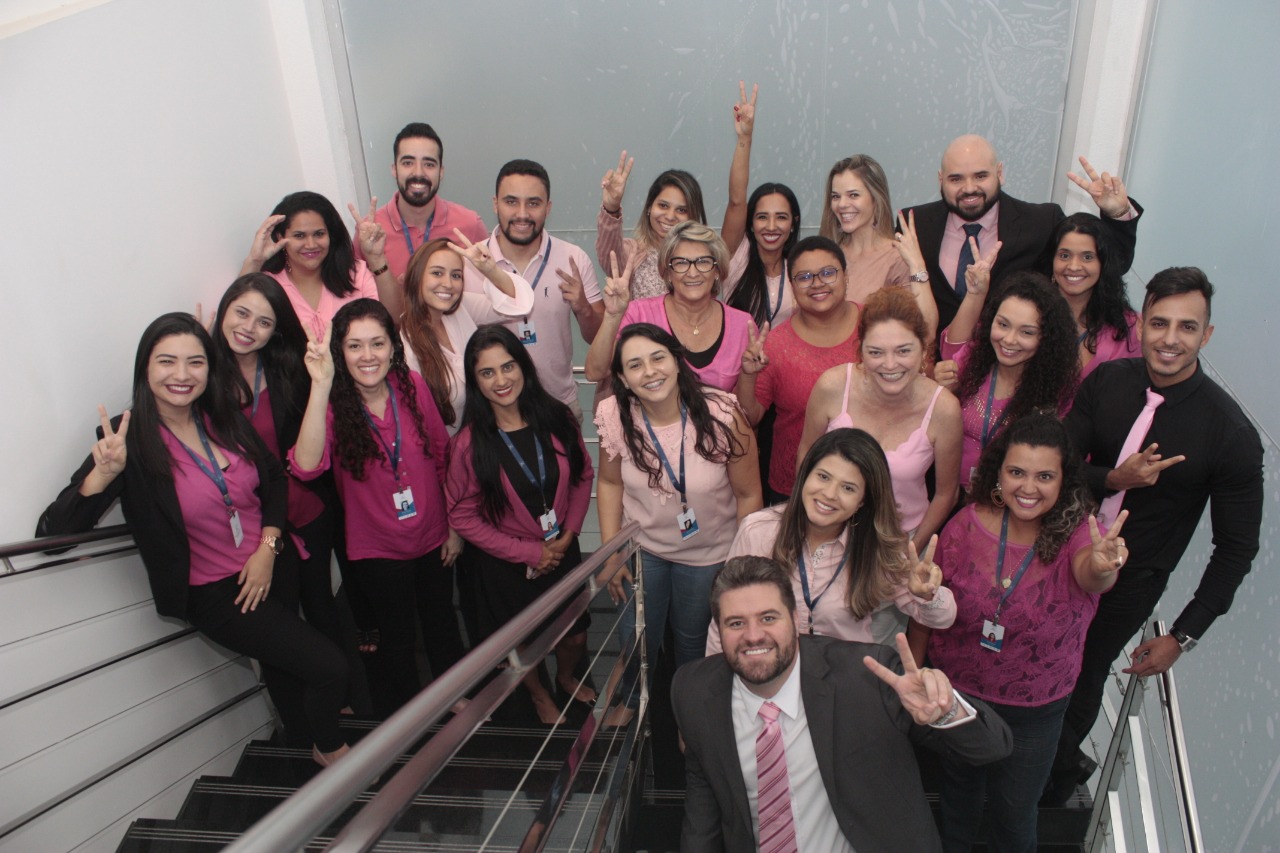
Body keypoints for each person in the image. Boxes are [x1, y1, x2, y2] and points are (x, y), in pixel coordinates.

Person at [37, 314, 350, 766]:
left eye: (195, 362)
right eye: (167, 361)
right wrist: (103, 474)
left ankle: (302, 757)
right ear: (145, 368)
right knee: (329, 667)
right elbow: (53, 536)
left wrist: (268, 546)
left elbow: (274, 480)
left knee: (284, 670)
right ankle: (332, 752)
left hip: (270, 564)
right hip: (219, 594)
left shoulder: (220, 416)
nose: (181, 375)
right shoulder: (128, 439)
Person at [1045, 267, 1264, 803]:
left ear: (1206, 335)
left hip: (1132, 581)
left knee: (1083, 677)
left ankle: (1047, 787)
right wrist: (1113, 479)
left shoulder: (1230, 433)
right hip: (1059, 552)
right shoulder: (1107, 381)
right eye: (1160, 322)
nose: (1170, 338)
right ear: (1140, 325)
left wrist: (1182, 637)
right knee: (1035, 655)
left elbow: (1235, 549)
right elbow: (1056, 466)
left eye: (1187, 327)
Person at [673, 556, 1012, 852]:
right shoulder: (693, 691)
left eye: (768, 618)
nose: (753, 635)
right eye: (736, 623)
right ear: (718, 629)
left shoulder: (867, 677)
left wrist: (946, 710)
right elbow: (702, 814)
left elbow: (991, 748)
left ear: (794, 618)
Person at [927, 413, 1129, 852]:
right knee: (957, 805)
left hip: (1035, 709)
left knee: (1014, 817)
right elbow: (932, 604)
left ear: (1063, 481)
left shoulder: (1079, 535)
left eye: (1044, 476)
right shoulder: (965, 524)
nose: (1028, 487)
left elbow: (1093, 574)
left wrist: (1103, 566)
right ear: (998, 473)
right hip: (960, 697)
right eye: (1017, 472)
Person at [290, 299, 466, 716]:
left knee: (442, 624)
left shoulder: (412, 386)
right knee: (397, 639)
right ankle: (408, 717)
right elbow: (306, 466)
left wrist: (455, 527)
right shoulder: (331, 405)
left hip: (434, 536)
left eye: (377, 343)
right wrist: (320, 386)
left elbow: (443, 456)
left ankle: (456, 698)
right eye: (354, 346)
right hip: (377, 550)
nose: (367, 355)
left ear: (393, 347)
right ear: (340, 352)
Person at [595, 323, 761, 723]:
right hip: (644, 549)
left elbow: (748, 495)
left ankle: (691, 712)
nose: (650, 372)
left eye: (658, 358)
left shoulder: (722, 413)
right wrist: (611, 551)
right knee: (636, 634)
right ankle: (632, 699)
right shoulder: (615, 415)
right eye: (635, 365)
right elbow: (610, 482)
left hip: (709, 555)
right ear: (623, 379)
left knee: (692, 641)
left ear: (676, 361)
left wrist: (740, 563)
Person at [445, 326, 596, 724]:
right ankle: (540, 694)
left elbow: (583, 475)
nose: (501, 380)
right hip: (507, 563)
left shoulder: (558, 418)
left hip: (561, 548)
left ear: (523, 366)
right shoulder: (469, 444)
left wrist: (570, 533)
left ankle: (565, 676)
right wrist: (529, 552)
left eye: (508, 366)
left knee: (575, 635)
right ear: (476, 382)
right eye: (487, 372)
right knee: (524, 644)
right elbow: (461, 515)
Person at [209, 274, 352, 674]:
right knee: (276, 627)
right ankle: (301, 707)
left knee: (324, 611)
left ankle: (346, 697)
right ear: (224, 311)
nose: (248, 328)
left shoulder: (287, 370)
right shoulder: (203, 378)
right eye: (241, 313)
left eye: (264, 322)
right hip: (251, 527)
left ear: (275, 331)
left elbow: (310, 448)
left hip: (304, 511)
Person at [707, 428, 956, 655]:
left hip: (843, 678)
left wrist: (927, 595)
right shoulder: (758, 531)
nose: (829, 494)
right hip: (770, 672)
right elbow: (726, 616)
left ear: (863, 501)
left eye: (848, 488)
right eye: (823, 477)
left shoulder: (876, 548)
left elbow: (942, 619)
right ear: (805, 474)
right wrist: (719, 678)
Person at [901, 136, 1142, 337]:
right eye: (956, 179)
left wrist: (1118, 214)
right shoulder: (913, 224)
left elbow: (1111, 266)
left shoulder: (1042, 222)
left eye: (981, 176)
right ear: (941, 180)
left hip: (1014, 365)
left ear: (1000, 173)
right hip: (931, 368)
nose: (969, 188)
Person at [799, 288, 961, 551]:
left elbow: (946, 493)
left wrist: (910, 552)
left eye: (903, 351)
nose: (890, 364)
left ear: (924, 350)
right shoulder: (832, 387)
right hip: (827, 533)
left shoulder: (944, 409)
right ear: (860, 351)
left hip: (900, 542)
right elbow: (806, 455)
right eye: (876, 352)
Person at [462, 159, 604, 418]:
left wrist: (583, 308)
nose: (522, 214)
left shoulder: (573, 258)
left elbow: (599, 338)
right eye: (511, 201)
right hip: (491, 415)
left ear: (548, 207)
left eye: (533, 203)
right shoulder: (470, 264)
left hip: (559, 407)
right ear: (495, 203)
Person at [734, 236, 861, 502]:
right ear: (792, 286)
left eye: (828, 273)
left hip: (865, 478)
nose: (817, 283)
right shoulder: (776, 344)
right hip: (795, 487)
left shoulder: (872, 324)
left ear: (846, 276)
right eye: (804, 277)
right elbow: (750, 416)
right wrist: (748, 374)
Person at [938, 270, 1079, 491]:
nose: (1009, 340)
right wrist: (941, 391)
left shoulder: (1056, 390)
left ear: (1047, 338)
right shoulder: (973, 359)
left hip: (1011, 500)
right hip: (948, 491)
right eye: (1003, 325)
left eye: (1027, 332)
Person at [586, 221, 755, 392]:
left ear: (717, 271)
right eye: (681, 263)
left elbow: (748, 406)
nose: (693, 272)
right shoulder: (638, 314)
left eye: (703, 262)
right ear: (667, 273)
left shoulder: (743, 325)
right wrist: (612, 316)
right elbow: (595, 372)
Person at [399, 236, 535, 433]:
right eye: (437, 273)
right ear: (416, 276)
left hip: (483, 438)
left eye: (456, 275)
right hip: (444, 447)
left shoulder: (461, 308)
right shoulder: (404, 341)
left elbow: (518, 304)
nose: (448, 284)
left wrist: (490, 270)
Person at [241, 190, 403, 331]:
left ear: (330, 235)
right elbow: (239, 323)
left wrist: (376, 258)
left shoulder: (356, 274)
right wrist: (254, 260)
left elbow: (394, 321)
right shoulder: (270, 284)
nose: (311, 244)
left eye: (319, 234)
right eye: (299, 236)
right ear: (280, 237)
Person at [819, 155, 939, 338]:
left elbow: (926, 332)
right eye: (836, 196)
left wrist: (917, 266)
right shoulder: (826, 255)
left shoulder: (898, 257)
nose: (842, 204)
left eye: (853, 195)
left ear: (875, 198)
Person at [352, 122, 489, 281]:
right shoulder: (370, 231)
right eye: (408, 163)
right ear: (394, 169)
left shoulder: (470, 225)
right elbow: (355, 293)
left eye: (429, 164)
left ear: (441, 172)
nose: (418, 173)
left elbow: (491, 287)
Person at [719, 82, 801, 330]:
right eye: (762, 217)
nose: (771, 226)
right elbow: (736, 200)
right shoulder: (736, 255)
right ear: (751, 223)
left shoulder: (801, 266)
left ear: (794, 222)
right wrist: (745, 138)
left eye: (781, 217)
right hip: (739, 355)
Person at [1040, 212, 1140, 381]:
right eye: (1064, 256)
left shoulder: (1132, 327)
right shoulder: (1029, 314)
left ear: (1103, 263)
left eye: (1087, 257)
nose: (1074, 266)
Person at [596, 154, 706, 300]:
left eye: (681, 210)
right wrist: (611, 207)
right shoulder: (632, 252)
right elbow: (609, 256)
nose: (670, 216)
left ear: (693, 215)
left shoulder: (705, 257)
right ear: (649, 206)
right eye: (663, 206)